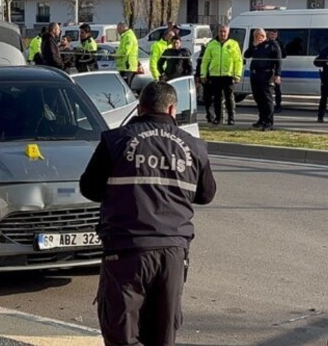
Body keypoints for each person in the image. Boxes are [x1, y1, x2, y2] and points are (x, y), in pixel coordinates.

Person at [79, 81, 217, 346]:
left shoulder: (115, 140)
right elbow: (206, 195)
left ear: (140, 107)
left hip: (126, 249)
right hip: (173, 251)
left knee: (121, 332)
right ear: (173, 108)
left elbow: (89, 188)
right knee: (163, 334)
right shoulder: (194, 147)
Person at [200, 25, 243, 125]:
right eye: (221, 31)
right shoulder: (212, 44)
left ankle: (231, 118)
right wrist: (203, 74)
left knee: (229, 98)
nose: (222, 34)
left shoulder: (233, 44)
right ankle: (217, 118)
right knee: (217, 98)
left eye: (224, 32)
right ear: (218, 32)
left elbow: (238, 61)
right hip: (215, 75)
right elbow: (205, 60)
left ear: (228, 33)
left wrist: (237, 75)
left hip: (228, 75)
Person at [244, 28, 282, 131]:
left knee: (266, 99)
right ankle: (262, 119)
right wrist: (253, 46)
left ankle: (269, 122)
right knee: (258, 98)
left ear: (264, 35)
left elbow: (278, 60)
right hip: (255, 74)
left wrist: (277, 74)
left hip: (266, 74)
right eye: (256, 36)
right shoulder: (255, 46)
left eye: (260, 36)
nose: (258, 38)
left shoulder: (272, 45)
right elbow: (246, 55)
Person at [196, 39, 216, 123]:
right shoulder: (205, 51)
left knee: (217, 98)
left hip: (217, 76)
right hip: (207, 77)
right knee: (208, 98)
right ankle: (210, 116)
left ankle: (216, 116)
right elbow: (200, 63)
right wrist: (198, 75)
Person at [268, 29, 286, 112]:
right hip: (268, 68)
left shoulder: (278, 44)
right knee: (269, 89)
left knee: (277, 89)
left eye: (274, 35)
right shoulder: (267, 43)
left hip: (275, 69)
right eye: (271, 34)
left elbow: (282, 56)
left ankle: (278, 105)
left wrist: (277, 73)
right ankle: (269, 105)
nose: (273, 36)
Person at [115, 22, 139, 86]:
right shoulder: (125, 36)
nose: (118, 31)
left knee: (125, 86)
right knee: (124, 85)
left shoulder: (128, 36)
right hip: (124, 66)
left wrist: (116, 56)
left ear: (122, 28)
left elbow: (126, 51)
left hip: (127, 66)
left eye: (118, 29)